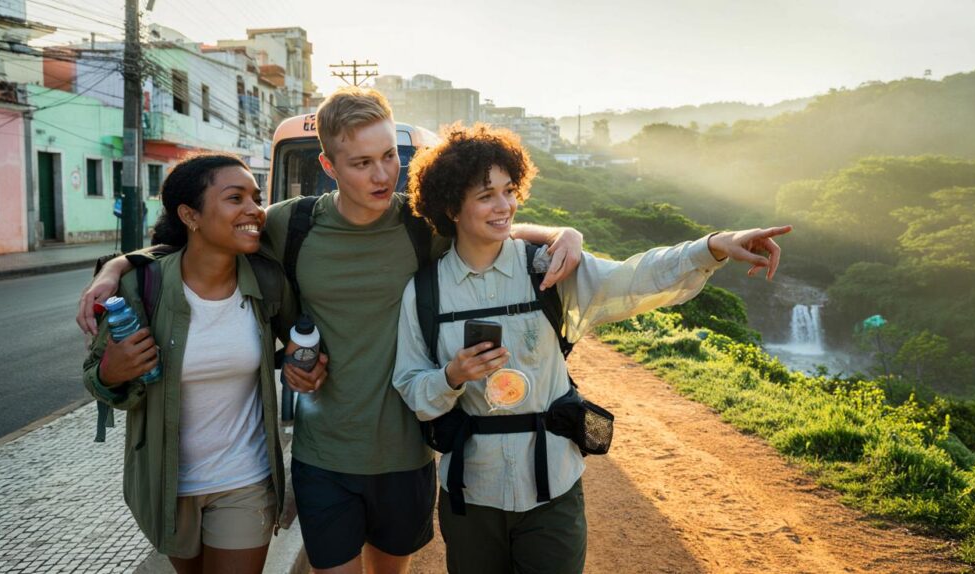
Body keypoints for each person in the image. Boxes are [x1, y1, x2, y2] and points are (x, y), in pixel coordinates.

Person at [77, 87, 584, 574]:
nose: (383, 174)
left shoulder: (420, 225)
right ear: (329, 166)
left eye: (389, 156)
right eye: (362, 163)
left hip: (406, 452)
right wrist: (116, 266)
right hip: (324, 455)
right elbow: (205, 242)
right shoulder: (289, 225)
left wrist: (565, 233)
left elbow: (494, 228)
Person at [392, 124, 792, 573]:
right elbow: (410, 387)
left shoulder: (548, 269)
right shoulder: (426, 293)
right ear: (451, 206)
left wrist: (712, 247)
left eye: (509, 190)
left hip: (554, 489)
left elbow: (633, 278)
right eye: (486, 195)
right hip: (471, 493)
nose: (504, 206)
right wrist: (452, 377)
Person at [83, 154, 297, 574]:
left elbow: (300, 343)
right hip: (168, 485)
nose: (254, 209)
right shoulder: (141, 286)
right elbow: (96, 380)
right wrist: (113, 370)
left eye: (255, 197)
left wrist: (304, 365)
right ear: (190, 215)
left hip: (246, 481)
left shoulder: (267, 281)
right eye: (235, 198)